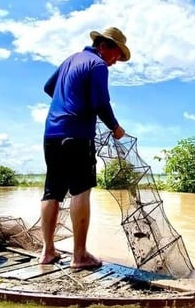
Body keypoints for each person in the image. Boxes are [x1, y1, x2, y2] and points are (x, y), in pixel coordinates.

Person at [40, 27, 130, 269]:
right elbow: (101, 102)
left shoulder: (70, 60)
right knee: (81, 190)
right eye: (116, 55)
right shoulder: (97, 64)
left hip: (52, 133)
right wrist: (115, 127)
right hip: (77, 134)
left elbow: (49, 88)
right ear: (105, 46)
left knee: (52, 190)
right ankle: (79, 256)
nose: (115, 62)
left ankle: (47, 252)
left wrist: (68, 98)